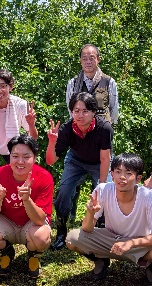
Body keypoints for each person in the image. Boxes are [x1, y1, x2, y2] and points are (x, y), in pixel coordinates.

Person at [66, 153, 152, 286]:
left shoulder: (148, 196)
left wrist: (131, 243)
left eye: (128, 173)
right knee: (72, 238)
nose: (122, 177)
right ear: (112, 175)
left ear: (138, 178)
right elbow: (87, 229)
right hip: (111, 240)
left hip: (139, 244)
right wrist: (90, 213)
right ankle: (101, 260)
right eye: (118, 172)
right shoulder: (103, 190)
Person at [0, 134, 53, 278]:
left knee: (41, 237)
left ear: (34, 157)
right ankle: (6, 252)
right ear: (9, 156)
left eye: (26, 157)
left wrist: (27, 200)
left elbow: (40, 220)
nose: (20, 161)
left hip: (31, 224)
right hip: (6, 222)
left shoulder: (44, 177)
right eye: (15, 156)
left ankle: (33, 256)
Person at [46, 92, 113, 250]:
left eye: (85, 111)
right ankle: (61, 232)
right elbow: (50, 161)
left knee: (105, 193)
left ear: (93, 112)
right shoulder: (67, 129)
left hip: (99, 162)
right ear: (71, 112)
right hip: (75, 161)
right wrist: (52, 141)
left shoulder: (104, 128)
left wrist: (102, 185)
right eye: (76, 111)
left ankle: (102, 229)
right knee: (63, 192)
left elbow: (105, 159)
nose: (80, 115)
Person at [65, 44, 119, 125]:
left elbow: (114, 109)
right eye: (84, 59)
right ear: (80, 61)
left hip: (102, 128)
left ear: (98, 59)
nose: (88, 62)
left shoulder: (109, 82)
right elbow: (71, 110)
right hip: (81, 129)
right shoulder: (73, 83)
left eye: (91, 58)